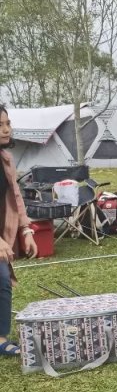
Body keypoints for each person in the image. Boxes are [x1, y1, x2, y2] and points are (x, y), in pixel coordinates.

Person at [0, 105, 38, 356]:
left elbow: (16, 196)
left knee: (2, 279)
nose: (6, 129)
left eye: (7, 123)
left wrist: (26, 230)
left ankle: (1, 338)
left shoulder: (6, 159)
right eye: (0, 125)